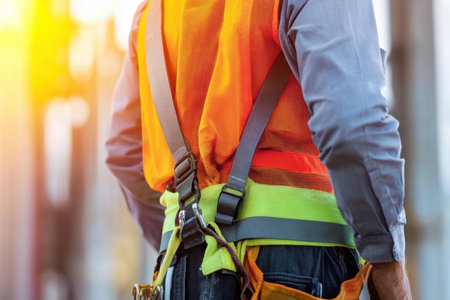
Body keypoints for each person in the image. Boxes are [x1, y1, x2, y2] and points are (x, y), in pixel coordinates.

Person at [106, 0, 412, 298]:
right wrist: (388, 264)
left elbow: (124, 152)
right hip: (298, 266)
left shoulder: (154, 12)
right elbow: (352, 125)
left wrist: (189, 241)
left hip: (180, 274)